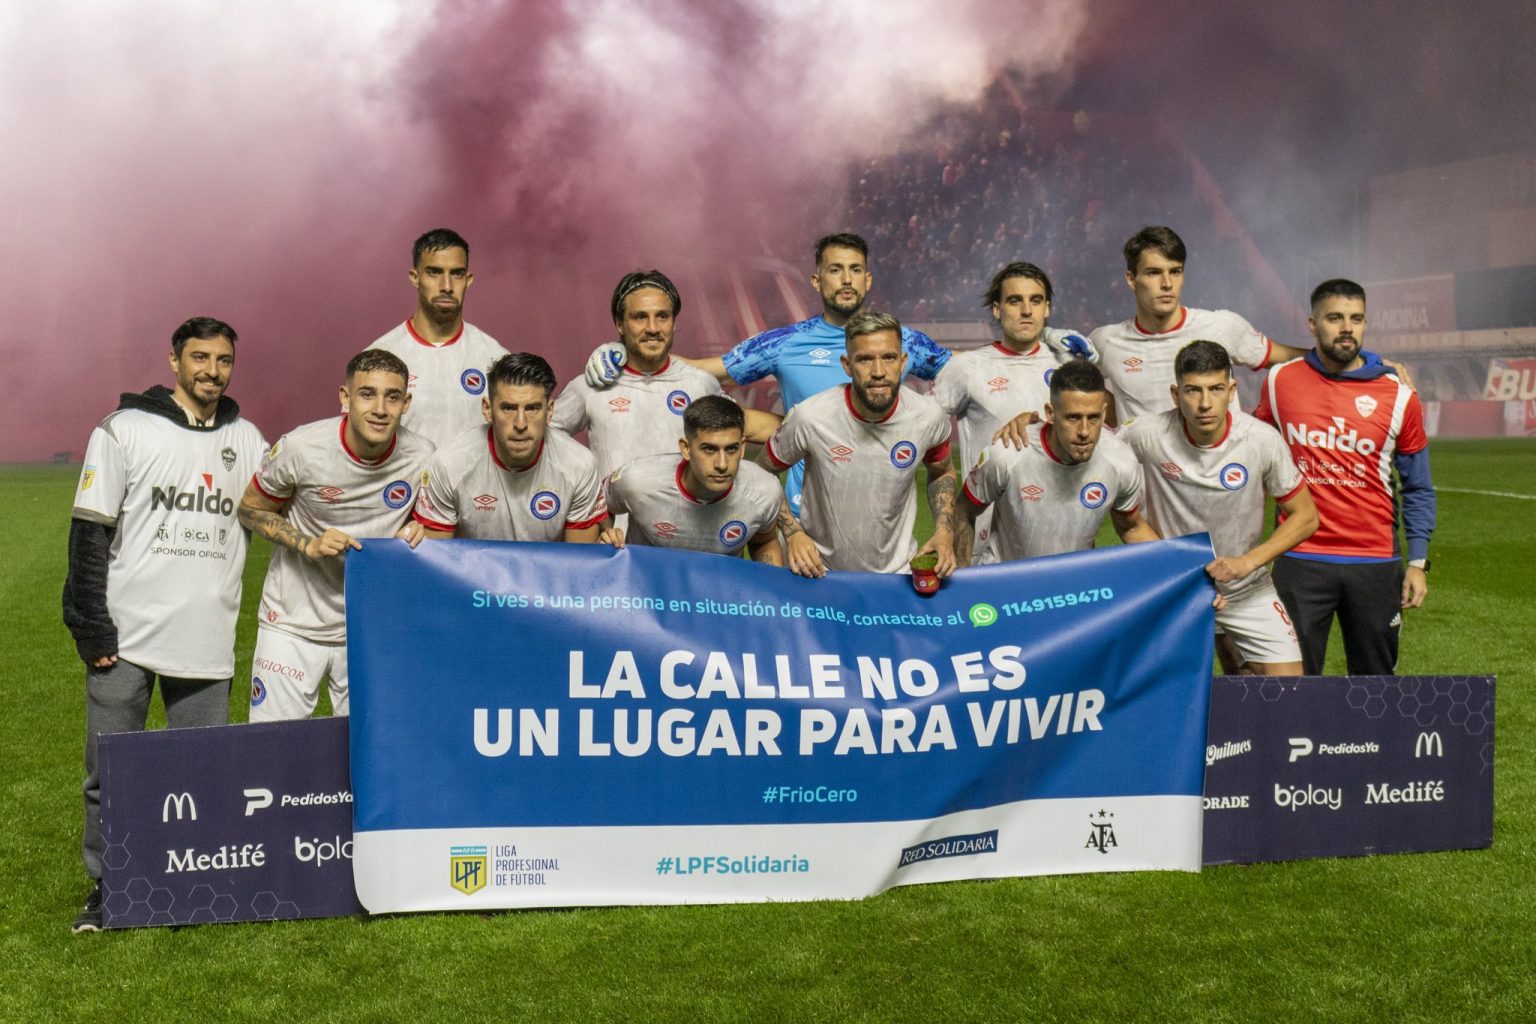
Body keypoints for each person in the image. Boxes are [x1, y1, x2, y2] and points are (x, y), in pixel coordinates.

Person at [584, 234, 1092, 514]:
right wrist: (620, 350)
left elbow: (983, 367)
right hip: (800, 512)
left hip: (879, 511)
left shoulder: (899, 344)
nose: (845, 279)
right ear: (816, 279)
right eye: (834, 269)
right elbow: (699, 370)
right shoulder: (783, 342)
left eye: (854, 269)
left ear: (867, 279)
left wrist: (1047, 340)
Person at [63, 316, 267, 933]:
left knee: (200, 774)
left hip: (205, 638)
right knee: (109, 772)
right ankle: (109, 887)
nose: (212, 370)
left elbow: (283, 507)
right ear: (174, 361)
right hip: (125, 640)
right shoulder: (124, 430)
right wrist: (91, 628)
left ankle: (189, 883)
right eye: (199, 357)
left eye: (223, 360)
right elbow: (90, 534)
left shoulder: (250, 439)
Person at [237, 349, 433, 721]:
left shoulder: (422, 456)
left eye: (392, 396)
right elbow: (250, 509)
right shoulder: (302, 447)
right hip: (292, 624)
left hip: (370, 630)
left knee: (366, 753)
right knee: (275, 751)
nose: (379, 408)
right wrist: (306, 544)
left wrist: (421, 530)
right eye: (367, 394)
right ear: (345, 397)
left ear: (406, 402)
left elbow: (433, 529)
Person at [1257, 279, 1436, 674]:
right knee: (1291, 686)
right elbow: (1254, 457)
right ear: (1312, 324)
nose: (1346, 328)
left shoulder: (1399, 395)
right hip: (1300, 558)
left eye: (1356, 319)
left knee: (1375, 688)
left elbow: (1418, 486)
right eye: (1335, 318)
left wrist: (1418, 562)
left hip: (1374, 562)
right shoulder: (1279, 383)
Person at [1124, 340, 1319, 675]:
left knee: (1291, 691)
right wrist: (1035, 424)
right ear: (1175, 394)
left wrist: (1247, 562)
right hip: (1176, 591)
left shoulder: (1260, 440)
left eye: (1215, 389)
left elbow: (1306, 517)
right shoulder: (1144, 436)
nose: (1204, 403)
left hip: (1247, 590)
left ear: (1231, 390)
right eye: (1193, 391)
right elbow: (1093, 465)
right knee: (1164, 693)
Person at [758, 311, 957, 578]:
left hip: (897, 573)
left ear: (903, 362)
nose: (878, 372)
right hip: (817, 571)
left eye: (888, 358)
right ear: (847, 365)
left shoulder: (929, 417)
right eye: (865, 359)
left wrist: (944, 530)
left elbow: (942, 471)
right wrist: (792, 532)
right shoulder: (811, 417)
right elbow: (762, 472)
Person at [553, 270, 777, 479]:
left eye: (662, 316)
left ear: (673, 322)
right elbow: (537, 441)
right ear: (620, 324)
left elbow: (751, 425)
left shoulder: (699, 383)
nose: (652, 327)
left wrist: (808, 420)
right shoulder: (589, 386)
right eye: (640, 317)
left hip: (687, 521)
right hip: (614, 522)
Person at [932, 261, 1088, 562]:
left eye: (1036, 300)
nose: (1026, 310)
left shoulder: (1070, 366)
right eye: (1015, 301)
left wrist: (1039, 421)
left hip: (1064, 536)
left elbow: (1100, 433)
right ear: (996, 309)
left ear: (1047, 309)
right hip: (987, 545)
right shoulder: (967, 368)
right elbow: (924, 427)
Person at [1091, 226, 1318, 426]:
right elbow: (1081, 397)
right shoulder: (1105, 342)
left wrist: (1345, 362)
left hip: (1220, 471)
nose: (1167, 284)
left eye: (1175, 272)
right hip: (1148, 474)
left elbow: (1287, 357)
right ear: (1131, 279)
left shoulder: (1221, 326)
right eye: (1154, 273)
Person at [955, 360, 1157, 565]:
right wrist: (962, 581)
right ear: (1050, 414)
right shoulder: (1008, 455)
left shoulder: (1120, 461)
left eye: (1094, 418)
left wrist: (1183, 569)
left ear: (1104, 413)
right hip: (1008, 585)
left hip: (1071, 589)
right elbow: (964, 510)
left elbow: (1131, 527)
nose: (1084, 432)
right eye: (1073, 418)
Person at [408, 353, 606, 543]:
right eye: (509, 408)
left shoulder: (579, 465)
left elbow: (578, 565)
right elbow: (438, 563)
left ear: (549, 411)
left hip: (547, 577)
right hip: (468, 577)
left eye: (532, 408)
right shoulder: (448, 465)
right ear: (487, 409)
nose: (520, 424)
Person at [366, 228, 511, 447]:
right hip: (405, 482)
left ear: (468, 279)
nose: (447, 286)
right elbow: (357, 441)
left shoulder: (495, 358)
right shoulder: (380, 356)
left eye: (456, 273)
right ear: (415, 278)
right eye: (434, 272)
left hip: (472, 481)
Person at [601, 395, 784, 564]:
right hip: (648, 593)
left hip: (715, 596)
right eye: (709, 450)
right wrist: (607, 533)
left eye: (731, 449)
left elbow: (763, 541)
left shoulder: (765, 490)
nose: (722, 464)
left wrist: (774, 593)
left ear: (743, 447)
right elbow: (599, 504)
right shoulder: (637, 481)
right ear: (686, 448)